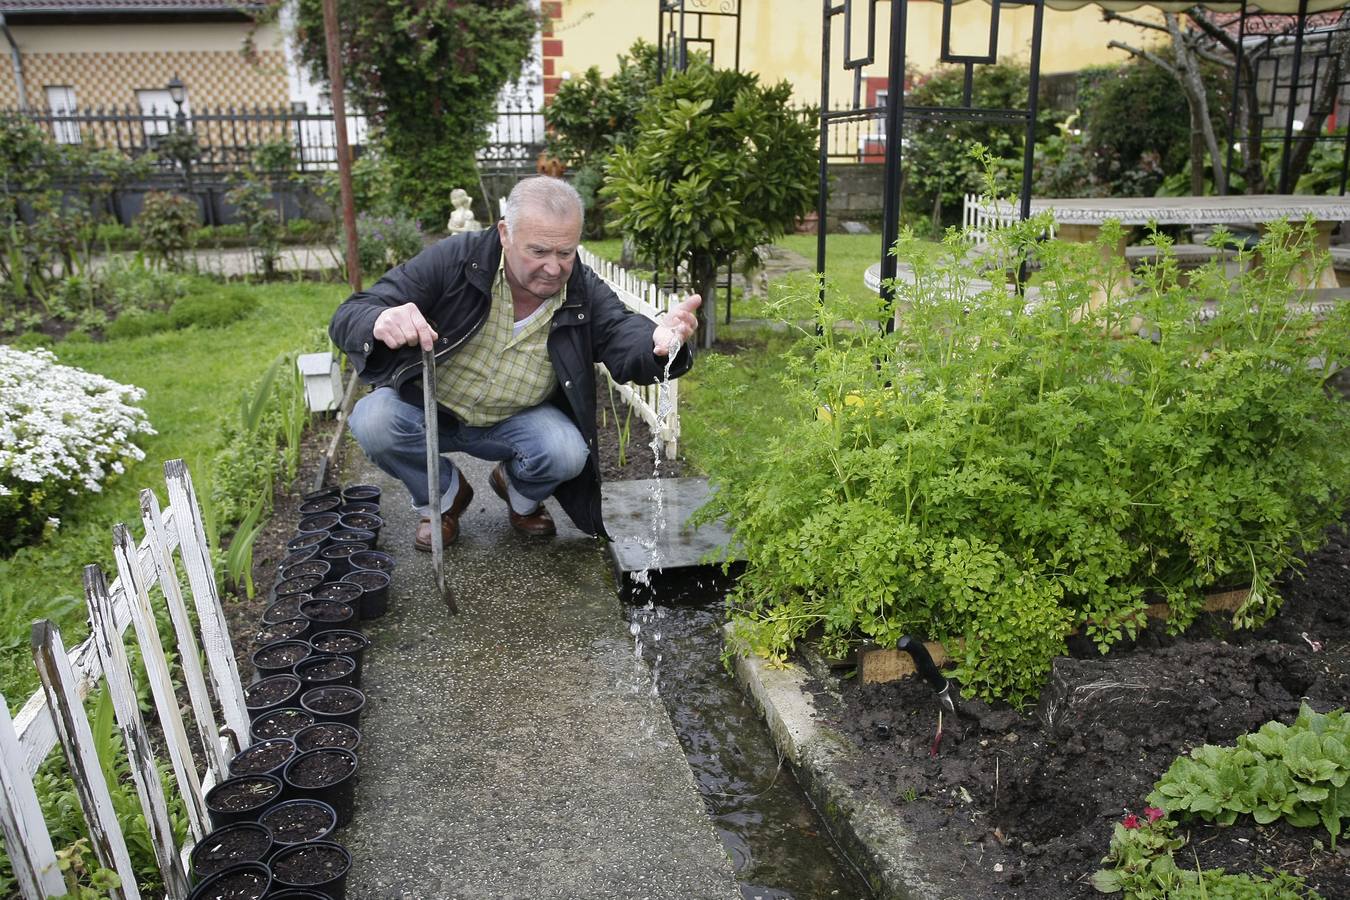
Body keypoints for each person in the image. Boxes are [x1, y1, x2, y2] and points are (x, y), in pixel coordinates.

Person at [328, 176, 701, 550]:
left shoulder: (582, 291)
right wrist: (379, 320)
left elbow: (621, 332)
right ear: (505, 233)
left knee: (567, 452)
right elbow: (354, 311)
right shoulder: (455, 260)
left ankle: (519, 494)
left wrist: (658, 343)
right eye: (538, 252)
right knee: (373, 419)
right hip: (429, 408)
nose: (554, 268)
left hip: (518, 419)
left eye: (565, 253)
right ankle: (444, 497)